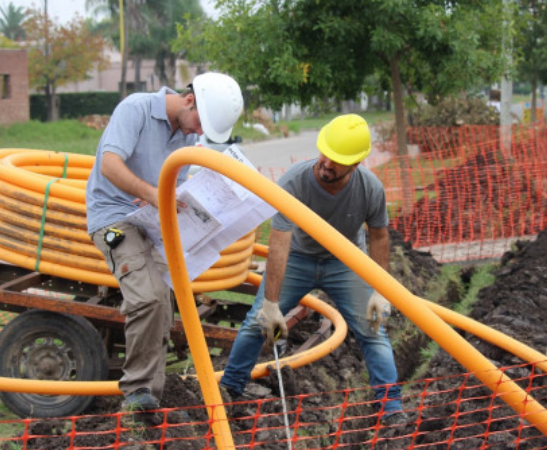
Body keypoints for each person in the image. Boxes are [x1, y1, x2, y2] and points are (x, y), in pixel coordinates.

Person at [219, 114, 409, 426]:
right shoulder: (294, 181)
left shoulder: (370, 188)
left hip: (345, 260)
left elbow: (379, 236)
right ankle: (229, 391)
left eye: (336, 161)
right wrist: (271, 303)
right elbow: (279, 244)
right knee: (257, 323)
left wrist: (379, 291)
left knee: (373, 329)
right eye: (325, 153)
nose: (326, 164)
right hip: (298, 258)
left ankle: (390, 409)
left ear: (355, 164)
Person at [85, 72, 244, 412]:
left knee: (164, 301)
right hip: (114, 220)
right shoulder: (136, 109)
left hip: (149, 220)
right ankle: (137, 395)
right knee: (150, 298)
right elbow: (109, 165)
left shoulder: (184, 134)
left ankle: (150, 396)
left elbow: (172, 186)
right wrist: (153, 195)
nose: (199, 132)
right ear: (189, 100)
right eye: (201, 122)